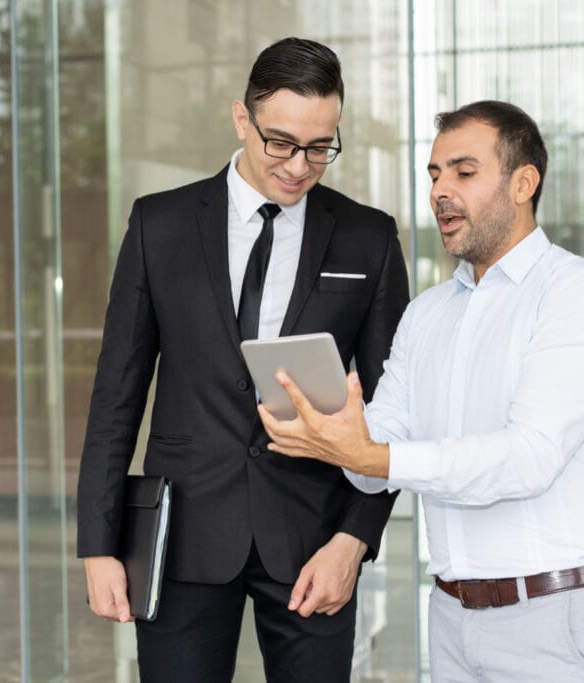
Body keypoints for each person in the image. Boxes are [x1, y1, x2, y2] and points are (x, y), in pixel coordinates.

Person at [260, 100, 584, 682]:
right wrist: (334, 431)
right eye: (434, 174)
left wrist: (373, 456)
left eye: (464, 172)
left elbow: (529, 458)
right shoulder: (427, 313)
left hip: (556, 617)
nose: (440, 191)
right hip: (451, 617)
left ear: (523, 184)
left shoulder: (579, 294)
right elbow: (375, 459)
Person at [76, 37, 409, 682]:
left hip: (316, 543)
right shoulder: (159, 225)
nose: (299, 166)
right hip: (183, 536)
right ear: (241, 118)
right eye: (280, 143)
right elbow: (116, 395)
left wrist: (354, 540)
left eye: (320, 147)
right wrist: (98, 544)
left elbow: (393, 407)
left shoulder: (368, 237)